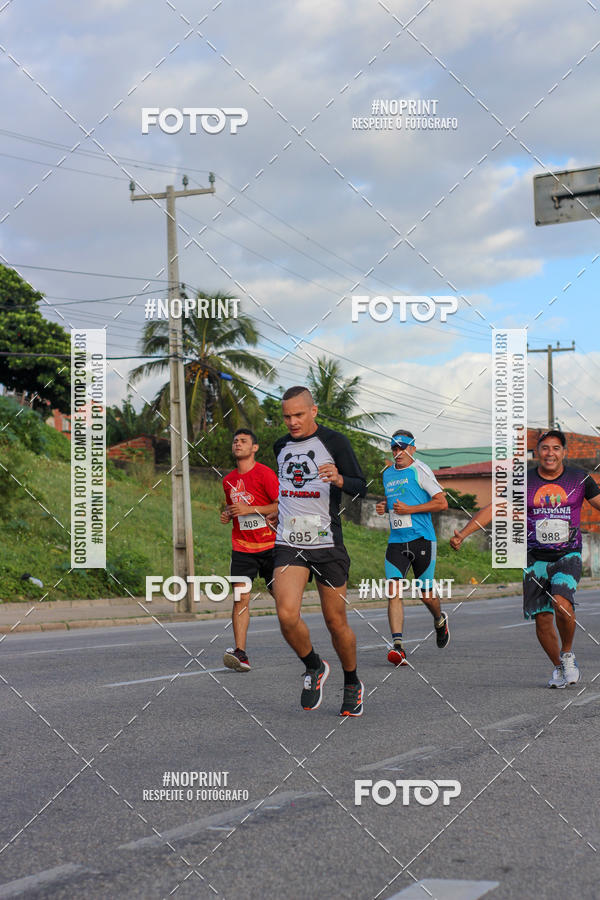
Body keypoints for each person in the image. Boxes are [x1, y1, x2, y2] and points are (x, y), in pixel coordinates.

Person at [450, 430, 600, 688]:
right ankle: (558, 667)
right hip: (534, 558)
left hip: (568, 554)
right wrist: (463, 533)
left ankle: (567, 655)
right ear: (537, 453)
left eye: (555, 448)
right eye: (544, 448)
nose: (550, 453)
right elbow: (495, 508)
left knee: (562, 604)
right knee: (542, 618)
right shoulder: (522, 482)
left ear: (564, 452)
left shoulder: (580, 478)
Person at [271, 386, 367, 716]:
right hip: (288, 542)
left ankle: (352, 682)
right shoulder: (280, 446)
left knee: (335, 621)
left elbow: (361, 486)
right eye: (287, 416)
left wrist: (340, 479)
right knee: (286, 614)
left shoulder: (335, 442)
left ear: (313, 411)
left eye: (298, 414)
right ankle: (314, 665)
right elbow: (288, 490)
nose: (292, 422)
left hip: (327, 543)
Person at [376, 429, 449, 666]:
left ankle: (439, 620)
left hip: (422, 539)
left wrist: (411, 510)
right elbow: (394, 500)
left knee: (426, 595)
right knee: (393, 591)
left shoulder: (421, 470)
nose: (398, 452)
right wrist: (383, 506)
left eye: (403, 447)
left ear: (413, 448)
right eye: (394, 447)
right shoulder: (387, 474)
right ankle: (397, 645)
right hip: (397, 541)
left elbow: (442, 503)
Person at [220, 428, 279, 672]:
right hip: (242, 548)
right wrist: (226, 513)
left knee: (283, 600)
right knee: (240, 598)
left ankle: (303, 645)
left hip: (271, 546)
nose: (238, 444)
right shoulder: (228, 480)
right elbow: (234, 508)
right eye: (235, 441)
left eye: (243, 441)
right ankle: (241, 653)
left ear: (254, 448)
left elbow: (279, 504)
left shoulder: (265, 473)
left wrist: (250, 510)